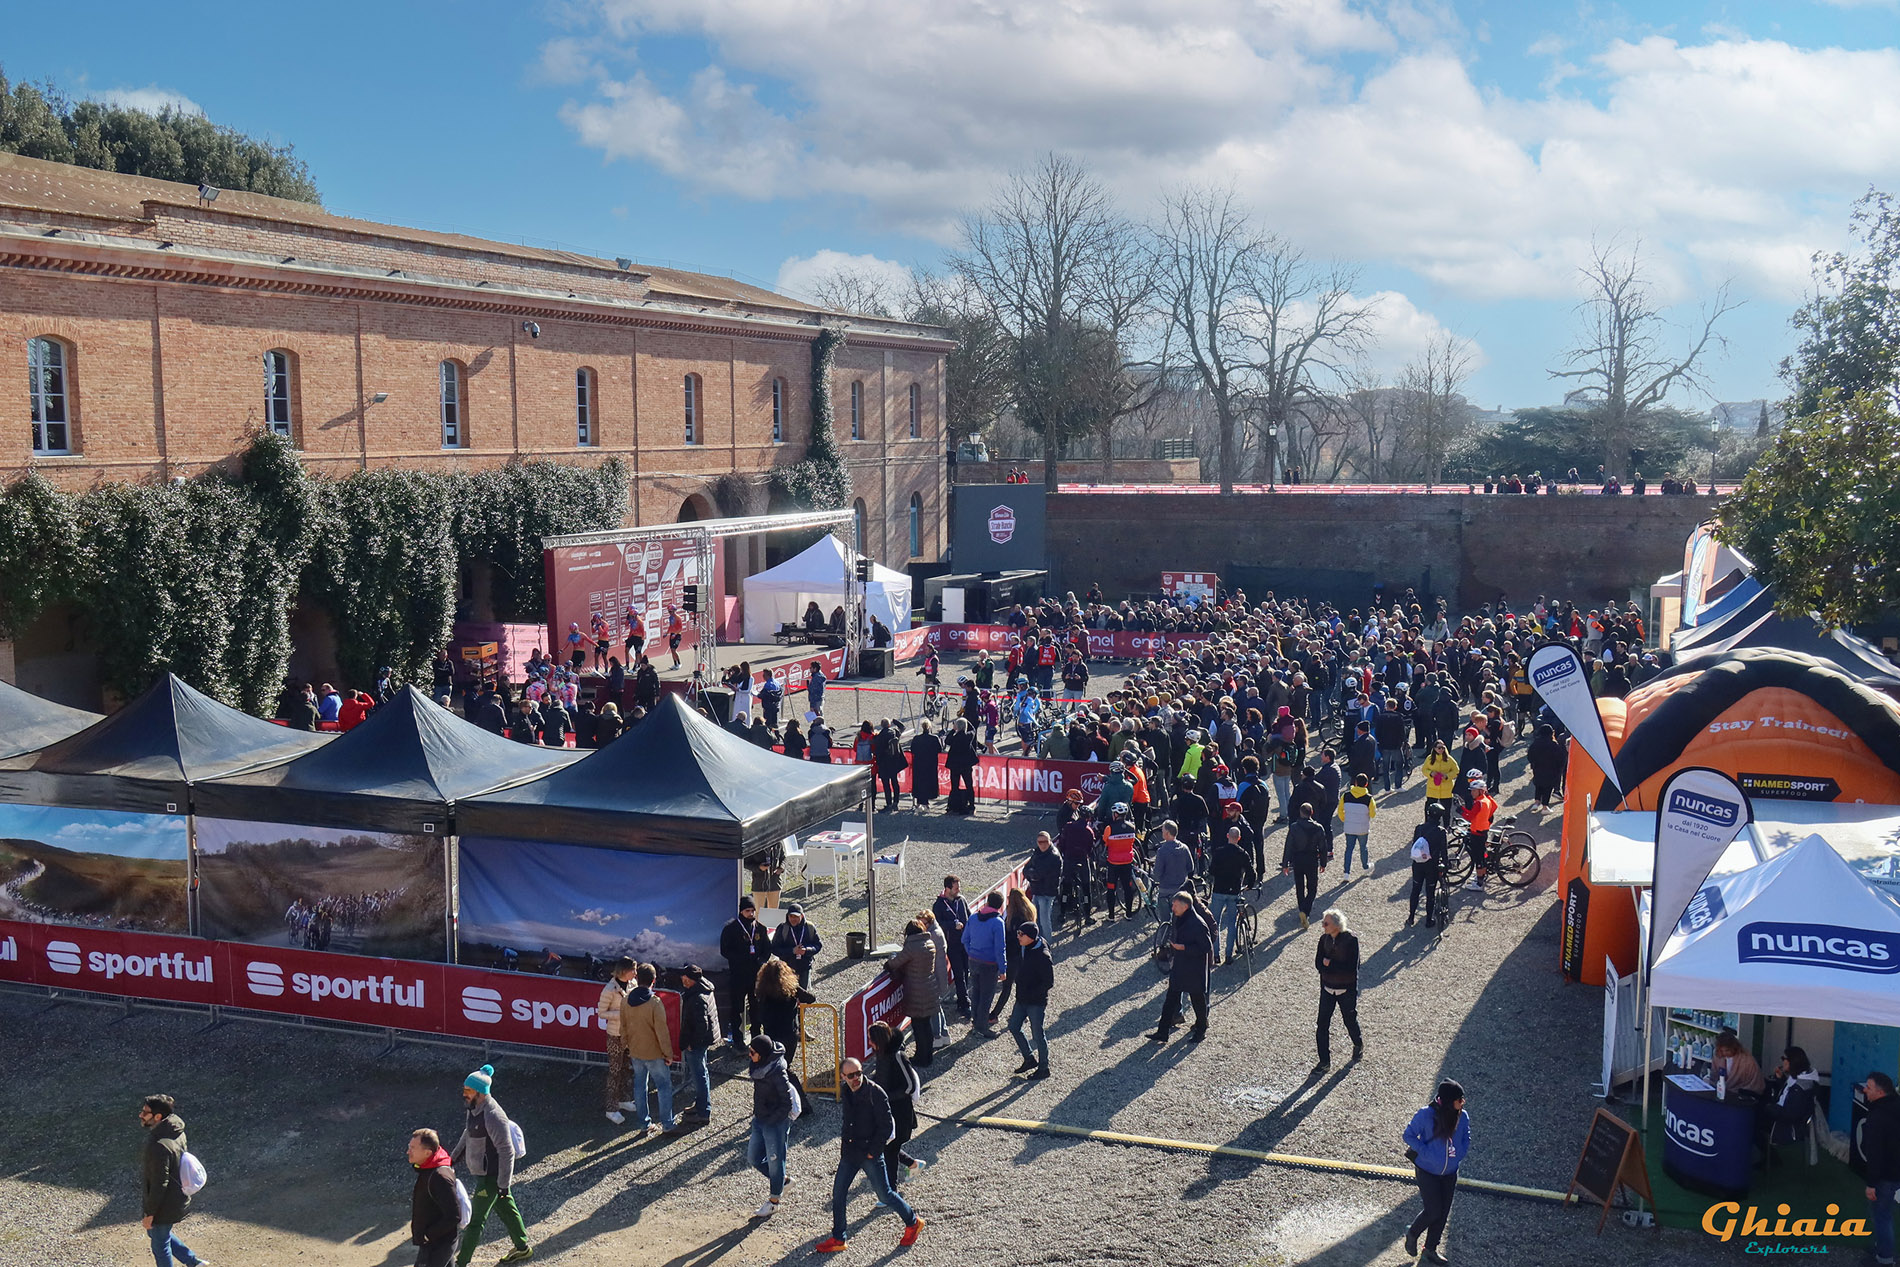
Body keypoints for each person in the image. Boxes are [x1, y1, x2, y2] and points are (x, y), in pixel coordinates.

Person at [813, 1058, 925, 1252]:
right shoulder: (846, 1091)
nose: (856, 1078)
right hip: (851, 1152)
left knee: (885, 1194)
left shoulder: (876, 1093)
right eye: (851, 1075)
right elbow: (848, 1121)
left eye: (858, 1073)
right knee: (838, 1194)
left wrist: (873, 1152)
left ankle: (913, 1222)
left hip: (869, 1154)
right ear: (843, 1076)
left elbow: (886, 1126)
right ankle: (839, 1238)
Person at [451, 1065, 532, 1266]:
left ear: (480, 1093)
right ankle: (522, 1248)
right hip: (485, 1174)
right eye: (464, 1089)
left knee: (475, 1221)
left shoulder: (494, 1116)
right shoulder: (474, 1108)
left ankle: (461, 1263)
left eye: (468, 1091)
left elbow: (507, 1151)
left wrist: (502, 1184)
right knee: (506, 1208)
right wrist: (452, 1159)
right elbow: (468, 1132)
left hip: (491, 1178)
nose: (464, 1094)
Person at [1402, 1080, 1470, 1264]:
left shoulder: (1463, 1116)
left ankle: (1430, 1249)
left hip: (1450, 1173)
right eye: (1459, 1099)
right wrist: (1425, 1152)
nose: (1463, 1102)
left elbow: (1466, 1137)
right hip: (1427, 1171)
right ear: (1449, 1101)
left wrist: (1459, 1154)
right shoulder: (1426, 1114)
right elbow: (1408, 1135)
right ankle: (1413, 1233)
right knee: (1433, 1211)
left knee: (1443, 1213)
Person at [138, 1094, 204, 1267]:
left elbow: (160, 1183)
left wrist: (150, 1213)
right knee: (158, 1234)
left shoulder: (158, 1145)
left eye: (145, 1112)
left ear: (157, 1116)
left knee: (160, 1245)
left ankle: (193, 1261)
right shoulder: (175, 1131)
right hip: (176, 1196)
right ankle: (193, 1262)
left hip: (164, 1204)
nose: (140, 1115)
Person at [619, 963, 680, 1135]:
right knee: (664, 1087)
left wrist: (626, 1046)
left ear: (637, 979)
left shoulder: (625, 1000)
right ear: (654, 980)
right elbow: (662, 1031)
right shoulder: (655, 1002)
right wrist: (668, 1054)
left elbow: (623, 1028)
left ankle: (644, 1124)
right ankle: (667, 1124)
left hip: (635, 1051)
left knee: (639, 1086)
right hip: (654, 1054)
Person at [755, 958, 817, 1115]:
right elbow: (811, 998)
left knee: (780, 1070)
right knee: (782, 1069)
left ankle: (801, 1104)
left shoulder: (763, 993)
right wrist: (797, 1002)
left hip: (773, 1038)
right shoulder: (792, 989)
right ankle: (793, 1102)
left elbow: (760, 1017)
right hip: (790, 1036)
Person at [868, 1021, 925, 1190]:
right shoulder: (881, 1055)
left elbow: (910, 1086)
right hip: (887, 1111)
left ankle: (891, 1192)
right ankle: (913, 1165)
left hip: (900, 1112)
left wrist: (886, 1097)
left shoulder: (898, 1056)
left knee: (890, 1149)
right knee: (888, 1147)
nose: (869, 1042)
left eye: (870, 1039)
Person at [747, 1035, 799, 1220]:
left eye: (752, 1052)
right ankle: (783, 1181)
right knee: (753, 1158)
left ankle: (774, 1201)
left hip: (774, 1124)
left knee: (775, 1162)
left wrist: (772, 1120)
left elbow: (786, 1103)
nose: (749, 1055)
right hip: (760, 1119)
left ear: (761, 1054)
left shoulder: (777, 1073)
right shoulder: (758, 1066)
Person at [1149, 892, 1212, 1043]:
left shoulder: (1197, 924)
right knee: (1170, 1000)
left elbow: (1206, 947)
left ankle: (1201, 1029)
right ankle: (1162, 1032)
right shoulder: (1179, 917)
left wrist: (1184, 948)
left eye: (1175, 905)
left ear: (1185, 906)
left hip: (1194, 968)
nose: (1172, 908)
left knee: (1197, 1001)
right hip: (1180, 965)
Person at [883, 917, 940, 1066]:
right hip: (929, 988)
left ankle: (921, 1058)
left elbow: (893, 964)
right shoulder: (929, 942)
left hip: (916, 990)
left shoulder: (912, 946)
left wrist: (892, 957)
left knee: (918, 1026)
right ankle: (928, 1056)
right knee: (926, 1025)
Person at [1314, 908, 1363, 1068]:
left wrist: (1329, 964)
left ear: (1336, 925)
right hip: (1327, 989)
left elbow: (1351, 967)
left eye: (1326, 923)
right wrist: (1328, 966)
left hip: (1346, 990)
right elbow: (1318, 963)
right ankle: (1324, 1062)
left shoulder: (1351, 941)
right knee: (1322, 1025)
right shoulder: (1324, 939)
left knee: (1349, 1020)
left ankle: (1358, 1044)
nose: (1323, 926)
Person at [720, 897, 772, 1045]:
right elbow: (725, 950)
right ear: (741, 911)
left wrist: (762, 960)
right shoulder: (730, 929)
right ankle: (737, 1039)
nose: (750, 914)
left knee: (756, 1008)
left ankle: (756, 1037)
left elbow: (768, 949)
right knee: (737, 1008)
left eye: (752, 911)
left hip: (756, 976)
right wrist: (741, 959)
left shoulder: (760, 928)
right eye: (747, 911)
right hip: (738, 975)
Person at [1007, 921, 1055, 1079]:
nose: (1018, 937)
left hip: (1035, 1002)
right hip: (1021, 998)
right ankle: (1029, 1059)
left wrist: (1032, 993)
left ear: (1031, 937)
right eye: (1018, 933)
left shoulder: (1043, 956)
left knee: (1038, 1035)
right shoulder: (1024, 946)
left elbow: (1049, 982)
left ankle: (1044, 1068)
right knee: (1014, 1027)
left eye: (1021, 934)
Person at [408, 1127, 461, 1267]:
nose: (408, 1151)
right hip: (436, 1242)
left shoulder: (439, 1177)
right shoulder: (428, 1169)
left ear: (427, 1153)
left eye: (412, 1148)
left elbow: (454, 1216)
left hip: (437, 1244)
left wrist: (428, 1235)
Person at [1862, 1071, 1900, 1267]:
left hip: (1886, 1175)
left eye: (1868, 1087)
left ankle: (1884, 1259)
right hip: (1896, 1170)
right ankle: (1881, 1248)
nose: (1864, 1090)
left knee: (1881, 1215)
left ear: (1880, 1092)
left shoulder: (1877, 1117)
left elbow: (1875, 1154)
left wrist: (1871, 1184)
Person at [961, 891, 1009, 1037]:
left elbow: (964, 939)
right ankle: (981, 1028)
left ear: (987, 902)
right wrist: (1003, 969)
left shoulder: (973, 917)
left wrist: (971, 953)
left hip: (973, 961)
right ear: (1000, 906)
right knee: (986, 997)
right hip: (989, 965)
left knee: (976, 993)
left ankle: (976, 1022)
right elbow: (1000, 948)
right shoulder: (998, 923)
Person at [676, 965, 719, 1123]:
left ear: (690, 979)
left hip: (696, 1044)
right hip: (702, 1042)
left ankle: (703, 1112)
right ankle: (701, 1105)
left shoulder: (697, 998)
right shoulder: (704, 990)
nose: (682, 980)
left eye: (684, 978)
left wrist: (691, 1044)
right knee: (702, 1073)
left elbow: (702, 1026)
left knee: (699, 1076)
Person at [596, 956, 636, 1124]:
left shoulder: (633, 984)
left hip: (629, 1034)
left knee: (627, 1068)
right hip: (614, 1035)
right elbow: (601, 1012)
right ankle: (611, 1108)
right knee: (615, 1071)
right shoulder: (609, 989)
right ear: (624, 971)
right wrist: (621, 1014)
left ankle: (624, 1099)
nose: (635, 973)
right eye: (633, 970)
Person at [1758, 1047, 1820, 1155]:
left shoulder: (1799, 1089)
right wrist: (1780, 1079)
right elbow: (1787, 1096)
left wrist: (1768, 1107)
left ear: (1791, 1062)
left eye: (1784, 1058)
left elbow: (1788, 1114)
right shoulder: (1802, 1079)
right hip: (1790, 1121)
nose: (1782, 1061)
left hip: (1787, 1128)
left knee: (1752, 1123)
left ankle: (1770, 1157)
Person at [1207, 826, 1255, 965]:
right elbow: (1251, 872)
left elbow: (1212, 871)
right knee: (1231, 923)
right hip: (1234, 891)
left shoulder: (1219, 852)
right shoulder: (1242, 854)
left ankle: (1216, 955)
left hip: (1219, 890)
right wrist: (1249, 885)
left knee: (1215, 922)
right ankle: (1228, 955)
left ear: (1228, 836)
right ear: (1239, 838)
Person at [1281, 803, 1328, 930]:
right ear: (1311, 813)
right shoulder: (1318, 828)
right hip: (1311, 860)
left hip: (1298, 859)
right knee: (1312, 888)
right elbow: (1323, 847)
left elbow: (1288, 846)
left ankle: (1302, 908)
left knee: (1299, 886)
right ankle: (1306, 911)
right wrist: (1323, 863)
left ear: (1300, 812)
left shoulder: (1294, 827)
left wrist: (1285, 864)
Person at [933, 876, 973, 1017]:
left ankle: (962, 999)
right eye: (956, 888)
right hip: (952, 944)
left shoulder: (961, 900)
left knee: (966, 970)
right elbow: (937, 925)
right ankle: (965, 1003)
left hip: (965, 942)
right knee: (959, 973)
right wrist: (952, 925)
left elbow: (969, 915)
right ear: (947, 889)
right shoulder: (939, 905)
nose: (958, 890)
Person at [1408, 804, 1451, 928]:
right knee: (1430, 893)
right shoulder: (1441, 832)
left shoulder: (1419, 828)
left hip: (1418, 864)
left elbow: (1415, 845)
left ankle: (1411, 917)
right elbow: (1444, 851)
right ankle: (1428, 920)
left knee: (1415, 890)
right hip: (1432, 866)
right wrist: (1445, 864)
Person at [1459, 776, 1498, 890]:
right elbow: (1494, 806)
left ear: (1480, 791)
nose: (1471, 793)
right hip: (1483, 831)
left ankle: (1479, 883)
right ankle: (1481, 877)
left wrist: (1461, 810)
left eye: (1474, 791)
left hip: (1477, 833)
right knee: (1482, 856)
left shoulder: (1478, 803)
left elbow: (1470, 817)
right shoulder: (1486, 800)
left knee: (1478, 858)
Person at [771, 904, 823, 989]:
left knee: (803, 993)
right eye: (791, 916)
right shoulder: (782, 928)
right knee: (787, 993)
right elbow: (774, 948)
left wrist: (806, 950)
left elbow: (818, 945)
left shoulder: (809, 927)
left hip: (804, 967)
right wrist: (792, 951)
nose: (793, 919)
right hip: (787, 968)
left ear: (802, 916)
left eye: (796, 916)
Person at [1023, 830, 1063, 934]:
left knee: (1044, 921)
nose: (1043, 844)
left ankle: (1047, 942)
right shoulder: (1037, 853)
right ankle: (1038, 941)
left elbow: (1040, 874)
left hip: (1047, 893)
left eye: (1045, 841)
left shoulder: (1053, 856)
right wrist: (1032, 875)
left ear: (1050, 841)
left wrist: (1032, 874)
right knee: (1036, 920)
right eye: (1040, 842)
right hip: (1037, 891)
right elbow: (1026, 870)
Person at [1338, 773, 1376, 877]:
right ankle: (1365, 867)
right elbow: (1373, 814)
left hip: (1349, 827)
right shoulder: (1369, 799)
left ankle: (1346, 873)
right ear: (1366, 784)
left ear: (1355, 783)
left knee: (1349, 849)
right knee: (1363, 847)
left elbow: (1340, 811)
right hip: (1362, 828)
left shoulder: (1346, 795)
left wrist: (1345, 819)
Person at [1710, 1029, 1766, 1097]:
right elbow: (1714, 1075)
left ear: (1734, 1047)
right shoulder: (1717, 1056)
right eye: (1721, 1051)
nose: (1724, 1053)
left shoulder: (1747, 1060)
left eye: (1727, 1050)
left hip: (1742, 1094)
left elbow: (1755, 1084)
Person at [944, 718, 980, 813]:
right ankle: (971, 805)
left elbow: (947, 740)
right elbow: (973, 730)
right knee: (969, 785)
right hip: (966, 765)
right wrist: (966, 721)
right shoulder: (968, 736)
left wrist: (953, 729)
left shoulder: (953, 738)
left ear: (957, 727)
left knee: (954, 786)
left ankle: (953, 805)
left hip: (955, 765)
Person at [1526, 724, 1566, 809]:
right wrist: (1559, 768)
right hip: (1551, 769)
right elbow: (1561, 758)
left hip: (1538, 768)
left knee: (1538, 785)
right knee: (1548, 787)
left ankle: (1536, 802)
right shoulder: (1554, 744)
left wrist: (1534, 763)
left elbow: (1530, 756)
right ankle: (1545, 806)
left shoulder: (1535, 743)